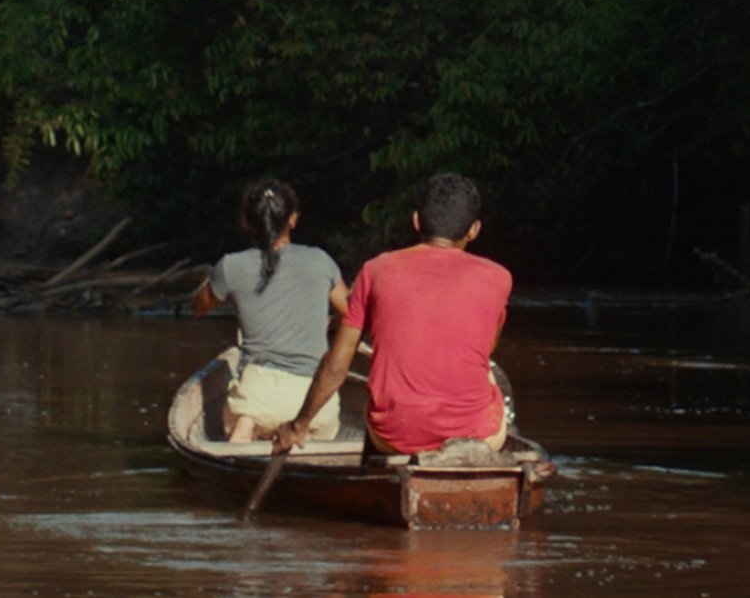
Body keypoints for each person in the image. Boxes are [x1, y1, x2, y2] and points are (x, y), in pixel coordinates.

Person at [273, 172, 512, 456]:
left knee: (376, 401)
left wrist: (299, 425)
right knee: (492, 377)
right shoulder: (499, 278)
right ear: (474, 230)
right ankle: (496, 465)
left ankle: (372, 473)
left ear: (415, 221)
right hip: (477, 435)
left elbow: (336, 367)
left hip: (396, 436)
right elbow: (485, 350)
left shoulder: (375, 270)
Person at [191, 179, 348, 442]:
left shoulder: (231, 266)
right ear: (293, 219)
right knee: (319, 428)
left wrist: (210, 279)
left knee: (245, 414)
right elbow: (353, 313)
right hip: (316, 405)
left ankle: (242, 435)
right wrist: (330, 323)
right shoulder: (320, 261)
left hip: (257, 400)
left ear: (246, 223)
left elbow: (197, 308)